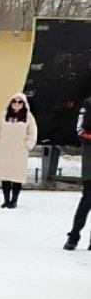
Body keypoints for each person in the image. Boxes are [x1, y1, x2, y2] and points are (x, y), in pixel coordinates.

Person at [0, 93, 37, 209]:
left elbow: (32, 133)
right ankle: (6, 200)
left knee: (17, 176)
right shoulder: (3, 116)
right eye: (14, 101)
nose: (16, 104)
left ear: (24, 104)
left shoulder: (29, 117)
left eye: (19, 102)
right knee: (5, 175)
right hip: (4, 150)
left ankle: (14, 200)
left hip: (19, 151)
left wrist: (28, 145)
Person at [64, 95, 91, 250]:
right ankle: (74, 236)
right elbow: (80, 131)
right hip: (90, 161)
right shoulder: (87, 104)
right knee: (87, 200)